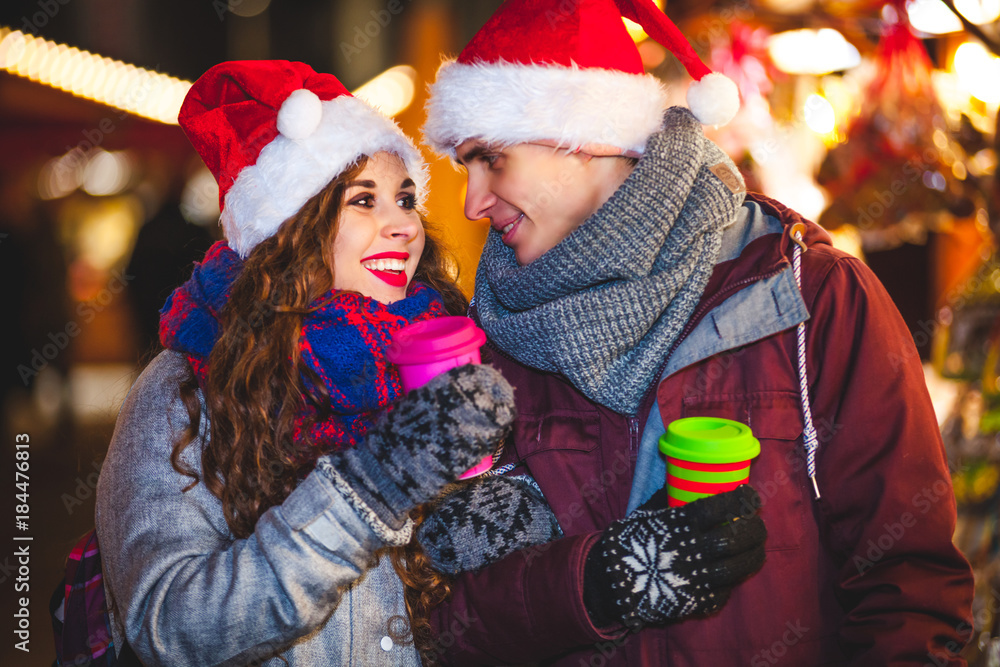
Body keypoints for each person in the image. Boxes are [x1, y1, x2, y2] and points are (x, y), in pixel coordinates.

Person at [415, 0, 976, 665]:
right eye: (465, 168)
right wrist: (594, 586)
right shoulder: (490, 342)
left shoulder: (807, 298)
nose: (473, 201)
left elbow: (909, 588)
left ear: (585, 135)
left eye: (492, 160)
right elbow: (440, 614)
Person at [94, 60, 515, 666]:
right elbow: (168, 626)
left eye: (405, 199)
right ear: (293, 227)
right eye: (364, 201)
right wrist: (371, 489)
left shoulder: (440, 347)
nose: (404, 225)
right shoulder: (185, 389)